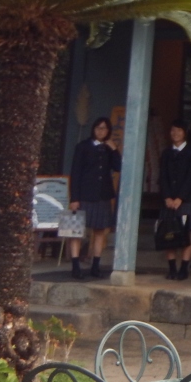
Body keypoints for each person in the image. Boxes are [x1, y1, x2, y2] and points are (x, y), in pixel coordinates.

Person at [67, 117, 121, 280]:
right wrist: (74, 198)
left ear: (108, 131)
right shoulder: (83, 146)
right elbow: (75, 173)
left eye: (104, 128)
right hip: (84, 195)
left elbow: (118, 167)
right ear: (93, 129)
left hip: (102, 195)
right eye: (98, 128)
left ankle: (95, 266)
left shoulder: (108, 148)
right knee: (77, 231)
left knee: (100, 231)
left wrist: (114, 149)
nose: (101, 131)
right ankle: (75, 266)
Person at [159, 120, 191, 280]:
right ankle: (172, 269)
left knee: (188, 234)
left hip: (187, 199)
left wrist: (180, 198)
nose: (175, 133)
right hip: (168, 200)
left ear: (185, 133)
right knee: (168, 233)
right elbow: (162, 176)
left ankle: (184, 268)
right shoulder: (166, 153)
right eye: (173, 130)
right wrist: (167, 197)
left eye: (179, 130)